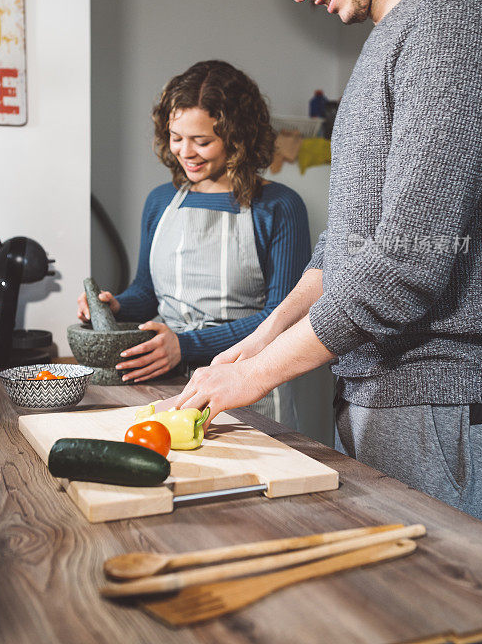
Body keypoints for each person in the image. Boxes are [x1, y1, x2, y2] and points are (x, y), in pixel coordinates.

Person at [174, 0, 482, 530]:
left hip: (439, 407)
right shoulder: (384, 44)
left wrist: (251, 379)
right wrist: (258, 342)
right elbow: (342, 250)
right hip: (378, 400)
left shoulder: (454, 15)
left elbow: (410, 262)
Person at [78, 59, 311, 428]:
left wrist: (185, 347)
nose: (185, 152)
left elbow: (282, 319)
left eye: (202, 141)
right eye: (176, 138)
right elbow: (148, 291)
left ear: (238, 139)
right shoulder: (160, 201)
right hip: (168, 384)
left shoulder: (280, 207)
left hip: (250, 391)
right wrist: (117, 305)